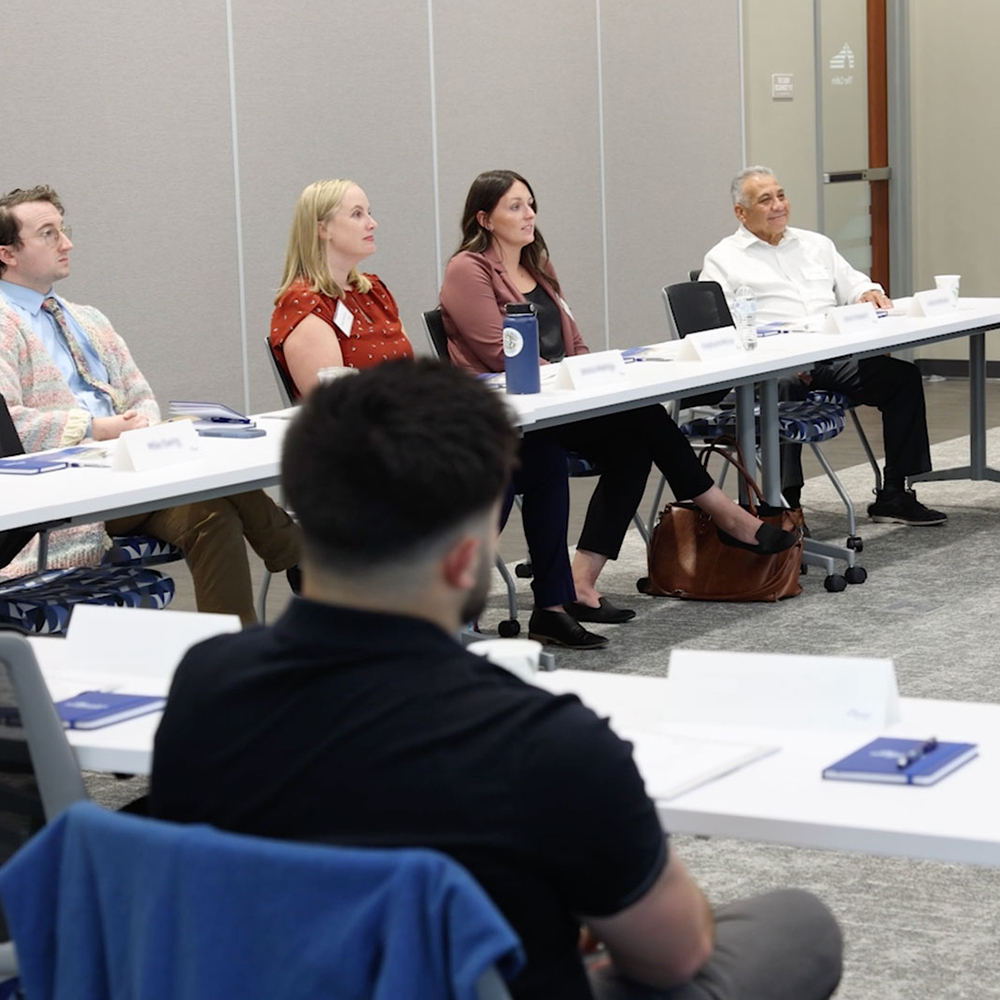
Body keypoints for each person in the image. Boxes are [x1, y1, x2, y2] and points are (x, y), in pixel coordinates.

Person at [149, 359, 843, 1000]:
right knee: (797, 924)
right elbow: (676, 953)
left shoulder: (206, 684)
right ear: (462, 560)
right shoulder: (548, 742)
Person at [439, 169, 798, 613]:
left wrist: (591, 375)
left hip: (562, 403)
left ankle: (581, 583)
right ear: (484, 218)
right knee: (644, 423)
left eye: (531, 204)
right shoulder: (467, 269)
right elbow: (500, 351)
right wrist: (569, 375)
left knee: (636, 435)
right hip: (516, 416)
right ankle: (725, 514)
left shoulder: (538, 265)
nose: (529, 214)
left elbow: (574, 341)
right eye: (515, 206)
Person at [269, 178, 606, 649]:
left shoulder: (372, 290)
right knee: (489, 469)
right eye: (358, 214)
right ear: (322, 229)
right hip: (361, 452)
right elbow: (332, 399)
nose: (373, 223)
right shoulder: (303, 303)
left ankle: (550, 606)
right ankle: (445, 609)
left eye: (369, 211)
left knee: (541, 454)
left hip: (408, 435)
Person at [0, 185, 301, 623]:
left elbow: (140, 393)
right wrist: (95, 430)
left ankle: (234, 660)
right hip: (77, 489)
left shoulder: (88, 318)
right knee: (213, 487)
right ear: (7, 253)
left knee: (212, 514)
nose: (67, 244)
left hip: (132, 470)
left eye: (64, 231)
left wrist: (142, 426)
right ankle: (304, 560)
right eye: (48, 234)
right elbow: (9, 424)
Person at [701, 166, 946, 527]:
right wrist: (774, 354)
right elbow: (717, 327)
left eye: (781, 196)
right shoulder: (723, 259)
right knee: (779, 389)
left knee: (902, 378)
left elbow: (852, 283)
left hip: (830, 358)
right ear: (740, 212)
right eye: (765, 200)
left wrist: (867, 292)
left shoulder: (815, 244)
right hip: (773, 364)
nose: (778, 206)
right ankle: (784, 507)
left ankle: (895, 492)